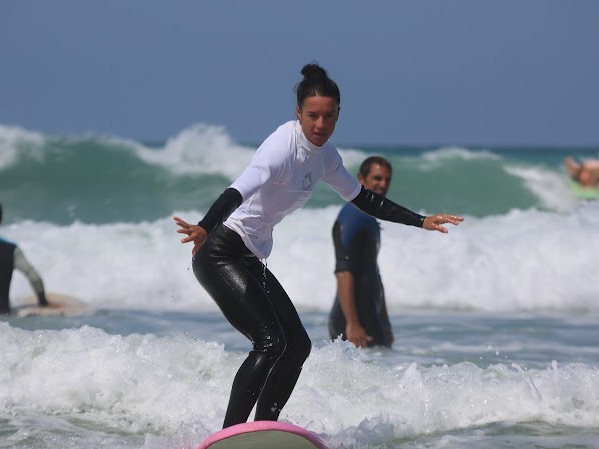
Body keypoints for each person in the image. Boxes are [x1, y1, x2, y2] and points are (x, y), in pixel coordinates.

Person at [174, 63, 463, 429]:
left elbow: (364, 198)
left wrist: (420, 220)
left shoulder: (325, 157)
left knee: (297, 346)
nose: (320, 125)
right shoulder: (281, 147)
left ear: (339, 114)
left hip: (250, 257)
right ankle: (230, 432)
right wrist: (205, 225)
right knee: (269, 342)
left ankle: (264, 428)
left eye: (329, 116)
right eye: (312, 116)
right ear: (298, 113)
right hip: (220, 251)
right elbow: (237, 190)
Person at [328, 156, 395, 348]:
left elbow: (373, 273)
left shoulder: (369, 219)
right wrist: (353, 323)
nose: (383, 185)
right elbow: (343, 272)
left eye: (387, 180)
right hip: (351, 324)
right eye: (377, 178)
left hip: (370, 318)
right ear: (361, 179)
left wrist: (385, 321)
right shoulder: (352, 217)